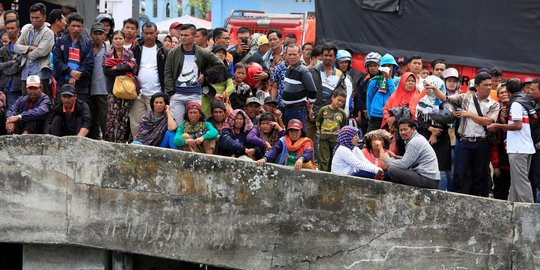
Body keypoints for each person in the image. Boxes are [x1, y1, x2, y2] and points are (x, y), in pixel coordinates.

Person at [442, 72, 499, 197]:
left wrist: (469, 114)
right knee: (459, 174)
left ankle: (476, 203)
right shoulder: (465, 98)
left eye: (490, 85)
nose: (489, 87)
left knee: (479, 177)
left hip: (482, 143)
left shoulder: (494, 104)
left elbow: (489, 121)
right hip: (464, 142)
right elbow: (445, 99)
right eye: (486, 85)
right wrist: (435, 88)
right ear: (477, 86)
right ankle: (456, 200)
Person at [164, 23, 224, 124]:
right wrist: (171, 93)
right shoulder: (173, 52)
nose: (183, 37)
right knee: (177, 126)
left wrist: (205, 74)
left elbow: (219, 64)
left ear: (194, 36)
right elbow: (167, 72)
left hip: (194, 94)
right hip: (177, 94)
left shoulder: (202, 52)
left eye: (186, 35)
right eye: (181, 35)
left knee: (194, 125)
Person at [487, 78, 535, 202]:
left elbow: (517, 126)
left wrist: (497, 126)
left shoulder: (515, 104)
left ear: (508, 90)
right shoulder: (524, 101)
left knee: (521, 182)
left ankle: (529, 213)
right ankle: (513, 209)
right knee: (516, 182)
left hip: (519, 149)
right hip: (524, 147)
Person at [409, 75, 451, 190]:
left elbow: (447, 120)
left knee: (441, 168)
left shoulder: (444, 103)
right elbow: (419, 120)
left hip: (441, 138)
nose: (426, 90)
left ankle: (441, 193)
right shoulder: (422, 101)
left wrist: (435, 133)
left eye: (429, 87)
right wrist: (431, 130)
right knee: (424, 166)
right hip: (425, 137)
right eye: (425, 87)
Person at [130, 21, 167, 140]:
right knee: (136, 122)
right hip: (138, 93)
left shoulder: (163, 51)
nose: (149, 36)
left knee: (156, 123)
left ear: (156, 34)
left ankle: (153, 145)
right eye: (146, 33)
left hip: (156, 94)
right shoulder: (135, 50)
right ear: (142, 34)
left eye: (151, 33)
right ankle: (137, 145)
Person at [379, 117, 440, 188]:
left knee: (392, 169)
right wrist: (396, 157)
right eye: (401, 130)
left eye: (405, 129)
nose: (402, 132)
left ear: (413, 129)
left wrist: (387, 159)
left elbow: (404, 165)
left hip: (427, 179)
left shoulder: (414, 142)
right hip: (430, 178)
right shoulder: (416, 138)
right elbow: (412, 159)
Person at [102, 30, 138, 143]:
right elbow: (106, 71)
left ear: (124, 40)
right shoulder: (108, 54)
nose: (118, 41)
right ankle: (109, 141)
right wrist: (123, 66)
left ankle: (122, 141)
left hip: (127, 88)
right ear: (112, 40)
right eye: (116, 38)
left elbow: (132, 67)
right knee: (112, 117)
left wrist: (116, 67)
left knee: (124, 117)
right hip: (112, 89)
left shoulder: (129, 53)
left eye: (120, 38)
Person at [14, 3, 55, 99]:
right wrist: (30, 48)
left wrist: (24, 51)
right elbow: (16, 48)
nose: (34, 20)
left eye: (37, 18)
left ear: (44, 17)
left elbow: (40, 52)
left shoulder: (48, 33)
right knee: (25, 102)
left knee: (41, 104)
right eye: (32, 17)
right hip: (26, 73)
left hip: (40, 73)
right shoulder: (27, 29)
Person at [53, 13, 94, 103]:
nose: (76, 29)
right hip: (63, 82)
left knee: (81, 112)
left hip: (81, 84)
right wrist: (70, 71)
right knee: (61, 112)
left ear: (82, 27)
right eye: (73, 26)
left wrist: (75, 76)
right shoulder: (61, 41)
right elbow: (57, 61)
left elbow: (89, 63)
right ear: (68, 26)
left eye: (78, 26)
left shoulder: (87, 43)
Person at [308, 43, 345, 139]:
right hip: (311, 113)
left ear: (335, 57)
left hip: (329, 116)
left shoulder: (339, 74)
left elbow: (341, 96)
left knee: (325, 146)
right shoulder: (313, 70)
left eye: (330, 56)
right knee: (308, 143)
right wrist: (308, 107)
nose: (328, 58)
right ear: (322, 56)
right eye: (325, 55)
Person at [281, 43, 317, 129]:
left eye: (294, 54)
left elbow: (312, 90)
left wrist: (309, 105)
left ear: (300, 55)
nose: (292, 57)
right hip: (287, 109)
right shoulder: (288, 69)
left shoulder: (303, 70)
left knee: (299, 135)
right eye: (290, 54)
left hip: (298, 110)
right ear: (285, 55)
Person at [381, 72, 418, 154]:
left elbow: (412, 113)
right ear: (402, 82)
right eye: (408, 81)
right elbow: (385, 109)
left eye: (413, 81)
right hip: (393, 131)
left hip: (410, 133)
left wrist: (395, 117)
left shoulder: (417, 97)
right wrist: (389, 121)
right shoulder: (394, 95)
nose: (411, 83)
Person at [366, 53, 400, 132]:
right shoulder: (375, 80)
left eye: (390, 65)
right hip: (375, 116)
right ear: (381, 67)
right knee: (369, 141)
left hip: (390, 117)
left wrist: (389, 79)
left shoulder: (398, 81)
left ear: (394, 67)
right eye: (385, 65)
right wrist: (370, 116)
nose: (387, 68)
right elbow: (369, 99)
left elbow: (395, 96)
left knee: (387, 143)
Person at [316, 89, 348, 171]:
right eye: (339, 100)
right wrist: (320, 133)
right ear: (333, 97)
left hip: (336, 140)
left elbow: (344, 126)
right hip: (324, 139)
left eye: (343, 102)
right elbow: (318, 122)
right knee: (324, 159)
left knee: (334, 159)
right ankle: (323, 175)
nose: (340, 103)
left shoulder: (342, 113)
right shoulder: (324, 110)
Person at [489, 83, 511, 200]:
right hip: (501, 161)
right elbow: (494, 142)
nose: (504, 94)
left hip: (515, 159)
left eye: (506, 92)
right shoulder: (496, 112)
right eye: (501, 92)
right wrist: (495, 165)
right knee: (499, 188)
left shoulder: (518, 109)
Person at [201, 45, 234, 118]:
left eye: (223, 53)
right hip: (206, 98)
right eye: (218, 52)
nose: (221, 54)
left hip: (221, 100)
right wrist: (212, 95)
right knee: (206, 118)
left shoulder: (226, 68)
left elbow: (231, 86)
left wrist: (222, 96)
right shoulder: (205, 67)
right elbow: (200, 84)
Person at [88, 22, 108, 139]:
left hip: (103, 89)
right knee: (91, 119)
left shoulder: (109, 49)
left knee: (105, 119)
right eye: (95, 33)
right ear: (91, 35)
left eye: (100, 33)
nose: (98, 36)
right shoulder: (86, 48)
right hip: (88, 89)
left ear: (104, 35)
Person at [356, 52, 382, 135]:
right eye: (370, 66)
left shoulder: (384, 79)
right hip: (365, 116)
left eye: (375, 65)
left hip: (379, 115)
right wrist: (364, 109)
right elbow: (359, 96)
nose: (372, 68)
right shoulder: (363, 80)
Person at [0, 19, 22, 109]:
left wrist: (5, 67)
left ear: (18, 29)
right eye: (7, 28)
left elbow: (18, 66)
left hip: (18, 86)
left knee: (13, 112)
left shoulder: (23, 47)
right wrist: (12, 62)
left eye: (12, 28)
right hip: (4, 85)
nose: (10, 30)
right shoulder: (4, 49)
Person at [526, 79, 540, 202]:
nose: (529, 91)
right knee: (533, 181)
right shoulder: (531, 105)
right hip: (532, 149)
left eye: (533, 90)